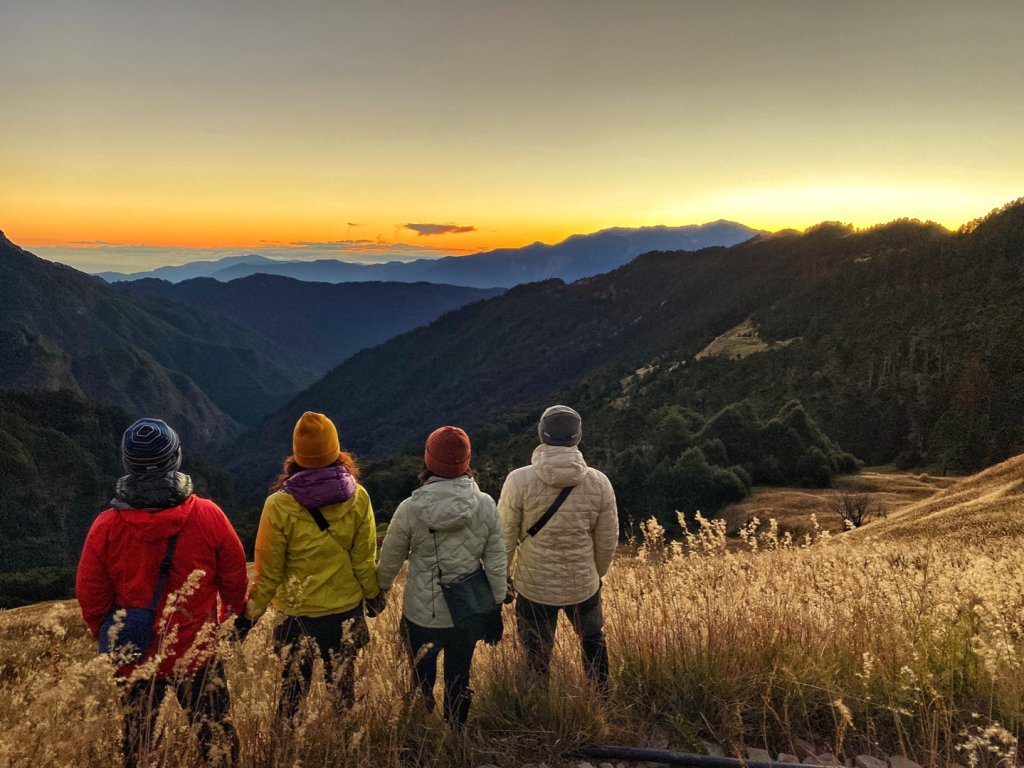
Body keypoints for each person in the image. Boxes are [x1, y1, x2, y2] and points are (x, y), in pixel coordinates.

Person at [76, 417, 247, 768]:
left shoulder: (105, 526)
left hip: (134, 654)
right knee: (218, 744)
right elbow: (234, 579)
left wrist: (112, 636)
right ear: (177, 458)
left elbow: (91, 595)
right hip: (197, 653)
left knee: (137, 748)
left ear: (127, 463)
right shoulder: (208, 515)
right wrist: (232, 618)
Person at [244, 411, 383, 717]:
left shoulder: (278, 505)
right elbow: (364, 560)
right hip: (344, 611)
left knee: (291, 699)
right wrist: (374, 596)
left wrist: (249, 616)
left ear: (297, 455)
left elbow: (268, 572)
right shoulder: (358, 497)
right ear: (336, 451)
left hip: (297, 616)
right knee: (343, 696)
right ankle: (347, 750)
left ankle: (283, 754)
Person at [377, 426, 506, 726]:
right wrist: (497, 603)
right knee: (459, 676)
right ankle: (456, 733)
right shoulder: (485, 505)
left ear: (428, 460)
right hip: (468, 611)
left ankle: (423, 724)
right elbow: (497, 560)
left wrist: (379, 589)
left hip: (422, 613)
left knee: (421, 675)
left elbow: (390, 561)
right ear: (466, 461)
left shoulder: (410, 509)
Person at [498, 405, 618, 695]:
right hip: (583, 584)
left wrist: (503, 579)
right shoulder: (599, 482)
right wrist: (595, 573)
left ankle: (539, 704)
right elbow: (607, 539)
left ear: (542, 434)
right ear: (577, 437)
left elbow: (504, 536)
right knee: (592, 639)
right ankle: (601, 694)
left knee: (536, 651)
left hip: (534, 586)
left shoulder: (518, 480)